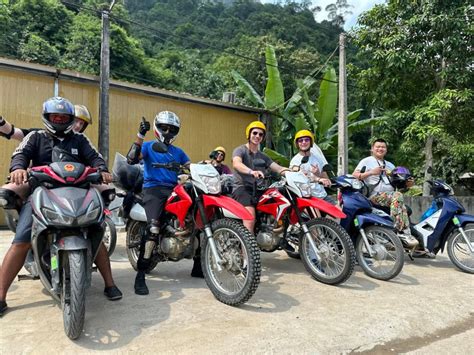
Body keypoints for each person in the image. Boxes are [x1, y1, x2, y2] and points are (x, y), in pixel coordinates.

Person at [0, 97, 122, 317]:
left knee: (96, 231)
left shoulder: (80, 139)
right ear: (47, 118)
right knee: (21, 241)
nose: (59, 120)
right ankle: (1, 296)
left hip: (78, 190)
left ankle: (110, 283)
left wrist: (101, 168)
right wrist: (18, 168)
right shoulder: (35, 137)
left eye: (64, 117)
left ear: (70, 119)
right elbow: (20, 154)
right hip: (42, 191)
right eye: (55, 117)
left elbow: (95, 158)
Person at [126, 111, 198, 296]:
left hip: (174, 189)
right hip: (153, 190)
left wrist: (204, 167)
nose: (167, 132)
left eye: (171, 129)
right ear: (158, 128)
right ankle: (140, 275)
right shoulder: (149, 147)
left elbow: (191, 166)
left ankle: (199, 265)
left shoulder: (178, 152)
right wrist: (140, 135)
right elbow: (131, 159)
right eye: (164, 128)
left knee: (196, 218)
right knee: (153, 229)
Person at [353, 138, 417, 247]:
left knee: (402, 202)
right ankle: (400, 230)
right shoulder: (366, 161)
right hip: (374, 196)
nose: (380, 149)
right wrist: (372, 172)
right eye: (378, 146)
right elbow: (355, 175)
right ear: (372, 149)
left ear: (386, 150)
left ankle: (412, 241)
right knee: (397, 196)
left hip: (391, 197)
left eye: (383, 147)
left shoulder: (390, 165)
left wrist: (408, 184)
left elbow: (398, 184)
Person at [232, 120, 290, 233]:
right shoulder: (240, 150)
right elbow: (236, 163)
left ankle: (281, 239)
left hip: (259, 189)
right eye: (254, 133)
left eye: (260, 134)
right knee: (250, 219)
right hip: (242, 188)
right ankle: (248, 250)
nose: (257, 136)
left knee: (281, 207)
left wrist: (293, 171)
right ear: (248, 134)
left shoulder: (263, 156)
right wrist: (251, 171)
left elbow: (278, 168)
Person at [0, 104, 93, 142]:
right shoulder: (39, 135)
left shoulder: (81, 142)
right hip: (40, 181)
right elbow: (12, 132)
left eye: (81, 124)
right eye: (76, 121)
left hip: (72, 182)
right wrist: (1, 121)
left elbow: (95, 159)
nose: (78, 126)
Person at [289, 130, 336, 204]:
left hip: (322, 196)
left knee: (340, 213)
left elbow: (325, 178)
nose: (304, 142)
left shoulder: (317, 158)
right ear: (297, 144)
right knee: (317, 216)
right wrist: (318, 178)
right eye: (300, 141)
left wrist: (319, 175)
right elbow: (302, 177)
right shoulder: (295, 161)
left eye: (306, 140)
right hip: (308, 198)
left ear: (311, 142)